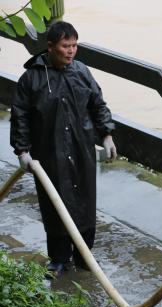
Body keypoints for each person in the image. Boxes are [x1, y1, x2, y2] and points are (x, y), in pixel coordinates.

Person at [10, 21, 117, 278]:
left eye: (74, 46)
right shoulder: (32, 78)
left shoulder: (81, 72)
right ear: (50, 47)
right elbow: (20, 115)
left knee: (84, 200)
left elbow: (97, 103)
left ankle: (84, 255)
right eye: (65, 46)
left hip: (81, 149)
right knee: (54, 202)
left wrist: (107, 134)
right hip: (48, 151)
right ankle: (59, 258)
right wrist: (22, 150)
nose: (70, 51)